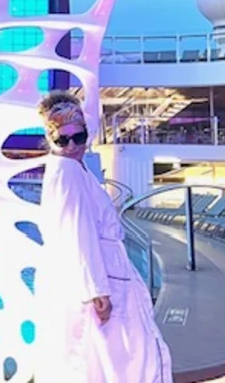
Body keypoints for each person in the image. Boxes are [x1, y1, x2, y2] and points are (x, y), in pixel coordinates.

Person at [35, 90, 172, 382]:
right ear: (50, 139)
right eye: (62, 139)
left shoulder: (71, 169)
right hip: (94, 285)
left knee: (96, 362)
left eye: (79, 137)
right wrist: (96, 290)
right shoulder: (68, 174)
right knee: (101, 362)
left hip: (93, 279)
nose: (72, 146)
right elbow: (77, 234)